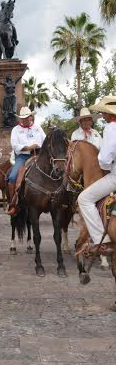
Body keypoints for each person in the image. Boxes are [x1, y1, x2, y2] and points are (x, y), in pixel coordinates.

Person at [78, 96, 116, 254]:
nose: (102, 116)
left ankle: (102, 240)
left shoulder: (110, 128)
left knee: (84, 199)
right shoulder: (76, 134)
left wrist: (105, 164)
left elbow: (105, 159)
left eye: (103, 113)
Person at [8, 107, 46, 215]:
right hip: (22, 157)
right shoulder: (16, 129)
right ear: (20, 119)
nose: (24, 120)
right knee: (12, 177)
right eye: (22, 118)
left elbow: (45, 140)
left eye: (26, 118)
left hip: (38, 155)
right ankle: (13, 203)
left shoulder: (38, 128)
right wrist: (29, 147)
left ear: (31, 117)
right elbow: (15, 145)